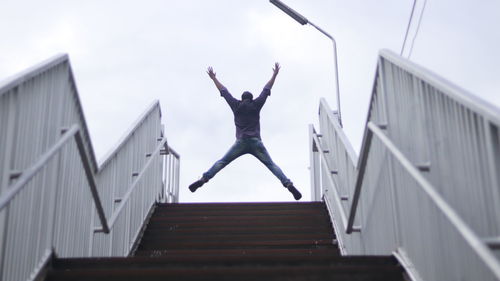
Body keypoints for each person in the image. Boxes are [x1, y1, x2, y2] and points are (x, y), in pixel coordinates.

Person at [188, 63, 302, 200]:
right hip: (256, 142)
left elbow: (224, 91)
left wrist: (213, 78)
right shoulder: (256, 104)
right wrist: (274, 74)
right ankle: (288, 184)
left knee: (222, 161)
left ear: (242, 99)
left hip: (240, 142)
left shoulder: (236, 105)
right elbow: (266, 89)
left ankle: (204, 179)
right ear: (251, 98)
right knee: (271, 165)